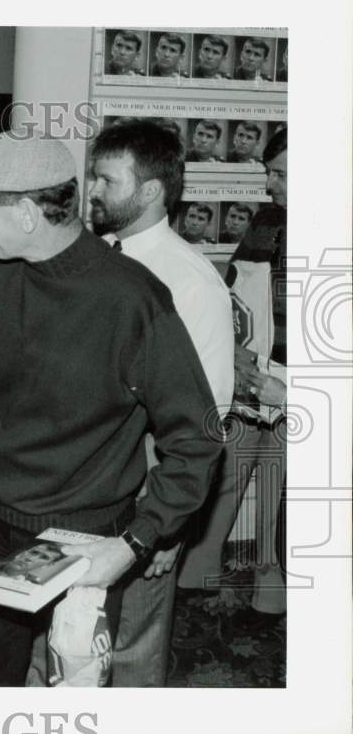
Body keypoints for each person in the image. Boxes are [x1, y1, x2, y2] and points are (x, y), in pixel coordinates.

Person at [0, 134, 224, 686]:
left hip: (85, 535)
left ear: (26, 212)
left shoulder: (131, 298)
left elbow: (196, 436)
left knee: (74, 681)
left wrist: (137, 541)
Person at [82, 119, 233, 687]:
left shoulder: (189, 282)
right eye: (94, 175)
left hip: (144, 499)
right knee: (76, 638)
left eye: (106, 179)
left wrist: (166, 528)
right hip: (88, 487)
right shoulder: (96, 256)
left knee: (131, 652)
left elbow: (204, 419)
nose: (92, 190)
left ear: (149, 191)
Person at [179, 128, 289, 619]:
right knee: (229, 460)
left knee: (277, 479)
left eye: (282, 174)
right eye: (270, 173)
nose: (271, 185)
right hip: (252, 371)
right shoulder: (266, 219)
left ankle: (270, 570)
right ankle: (201, 563)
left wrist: (292, 387)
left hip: (299, 388)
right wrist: (237, 355)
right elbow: (236, 289)